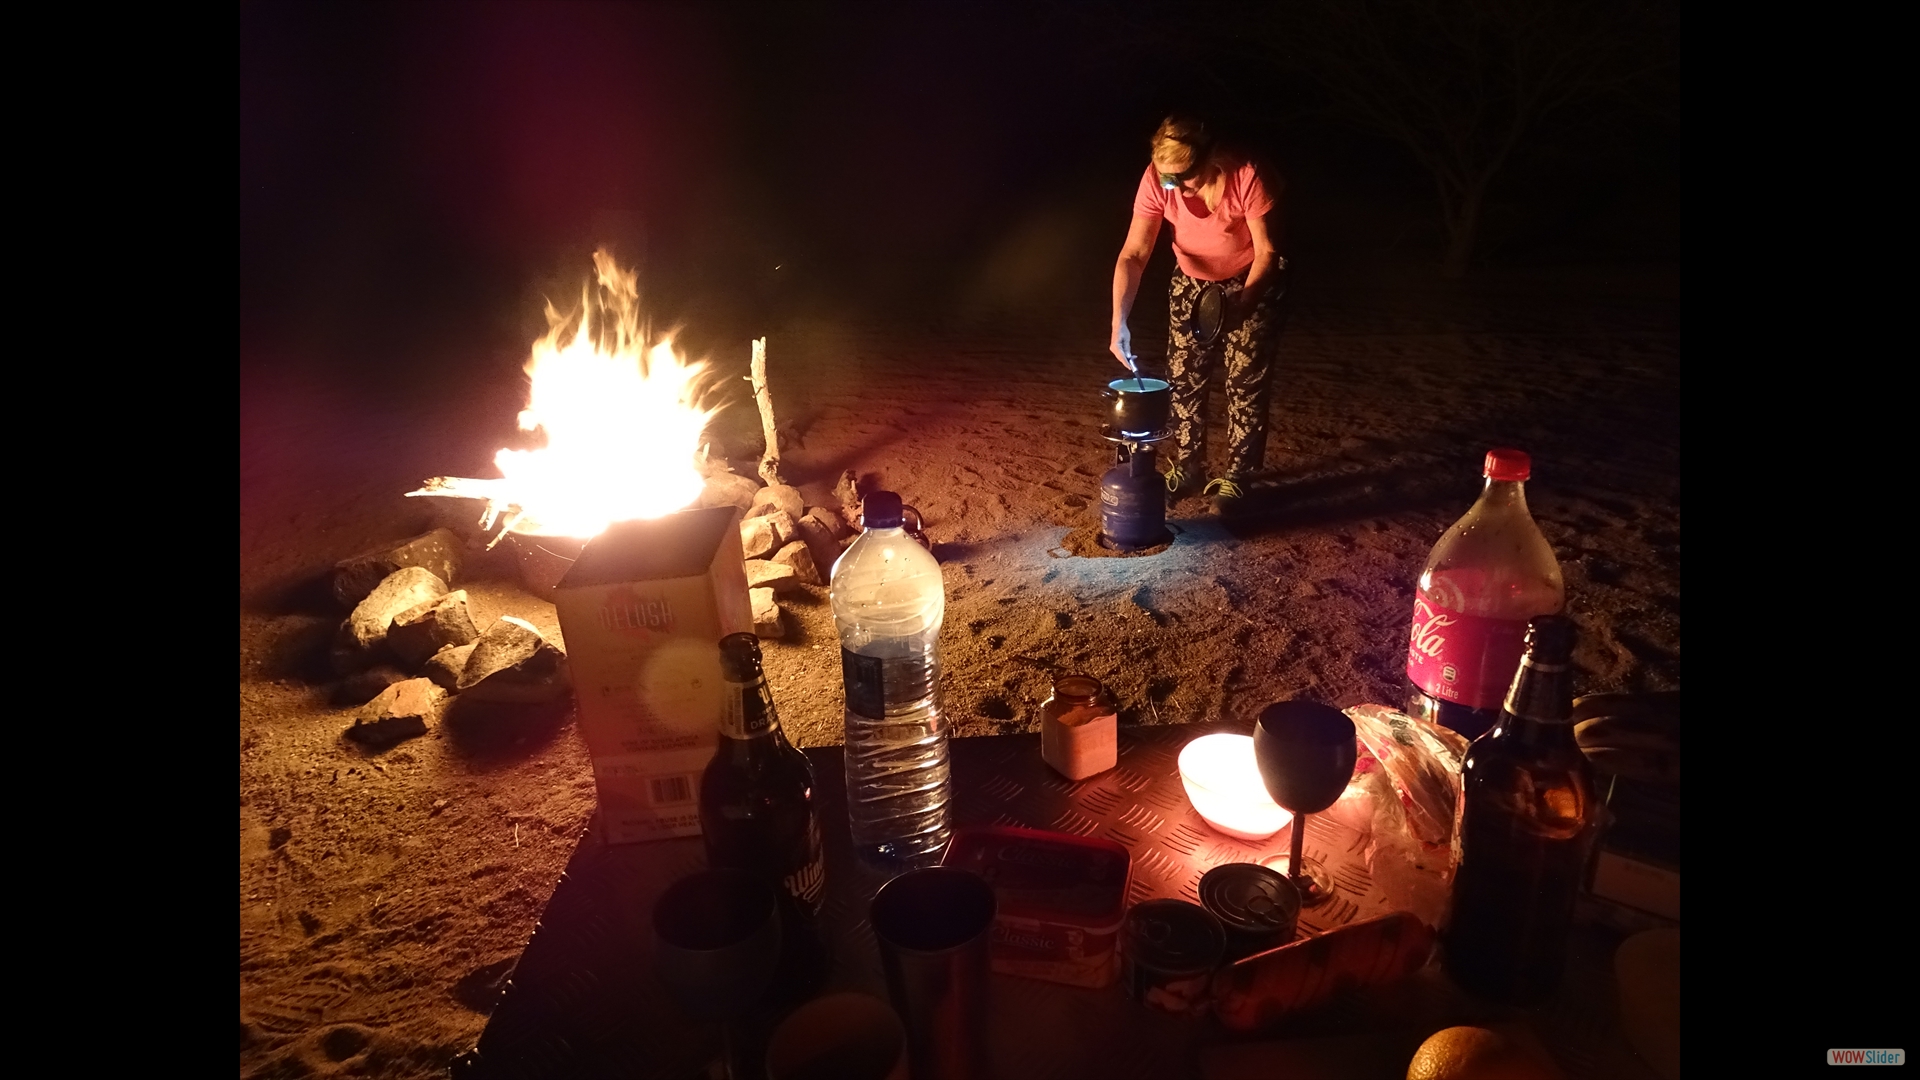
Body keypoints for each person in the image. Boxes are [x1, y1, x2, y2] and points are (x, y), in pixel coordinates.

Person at [1110, 115, 1285, 512]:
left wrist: (1242, 305)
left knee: (1245, 381)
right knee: (1184, 379)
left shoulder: (1246, 175)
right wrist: (1118, 321)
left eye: (1182, 176)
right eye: (1164, 176)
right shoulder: (1159, 179)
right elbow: (1134, 254)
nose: (1171, 185)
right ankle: (1189, 467)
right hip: (1191, 282)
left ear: (1209, 159)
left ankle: (1239, 477)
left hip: (1249, 277)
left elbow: (1268, 252)